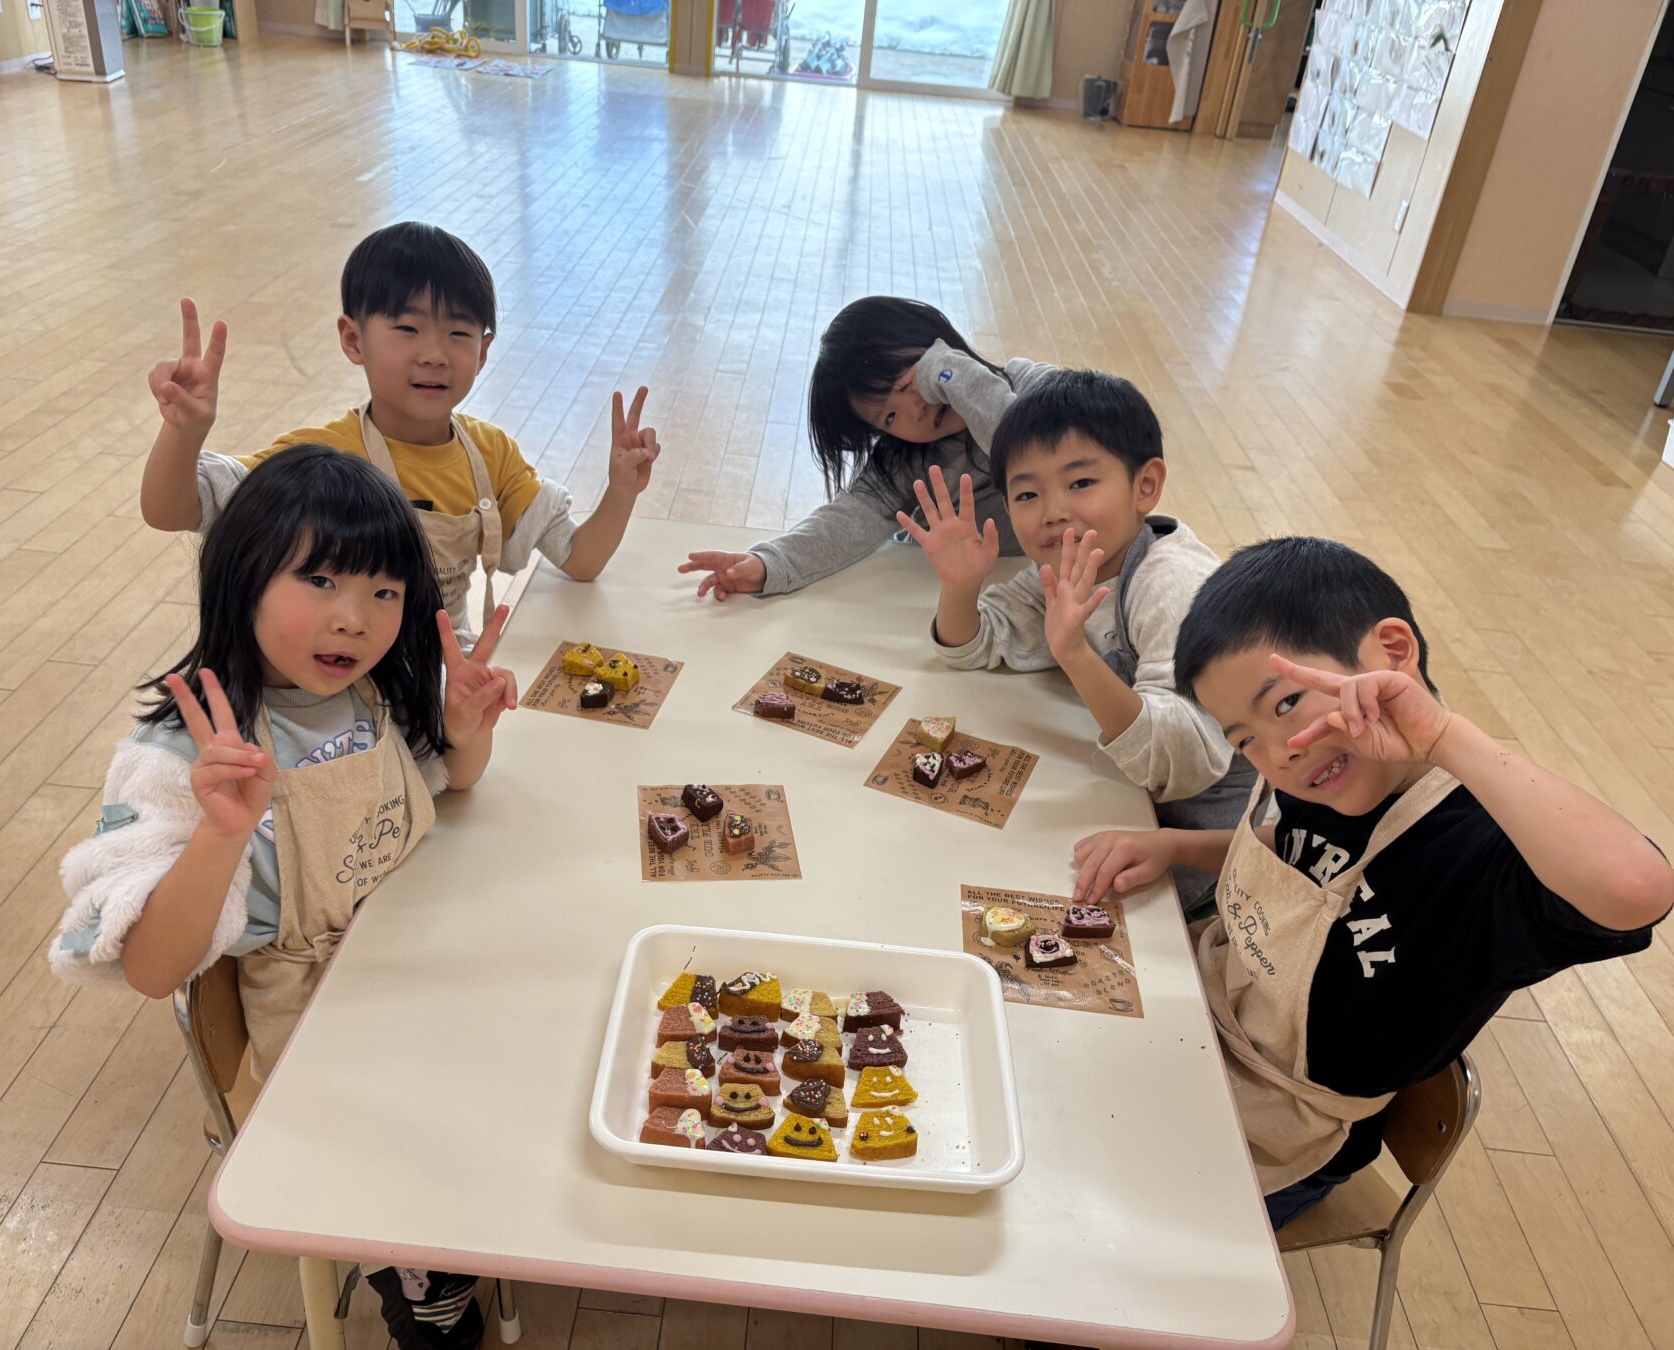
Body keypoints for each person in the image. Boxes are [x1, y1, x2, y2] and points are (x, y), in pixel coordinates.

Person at [51, 446, 514, 1347]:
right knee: (442, 1139)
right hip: (319, 1033)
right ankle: (413, 1270)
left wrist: (464, 732)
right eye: (320, 579)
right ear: (242, 575)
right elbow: (151, 969)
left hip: (410, 961)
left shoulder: (367, 693)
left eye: (384, 591)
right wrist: (221, 834)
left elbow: (448, 784)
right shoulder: (182, 756)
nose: (353, 618)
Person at [1072, 537, 1671, 1225]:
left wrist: (1442, 736)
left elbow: (1635, 887)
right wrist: (1173, 845)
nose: (1278, 755)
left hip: (1290, 1130)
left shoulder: (1480, 851)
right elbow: (1296, 856)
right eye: (1245, 740)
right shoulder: (1324, 777)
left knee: (1098, 1224)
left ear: (1392, 652)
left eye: (1286, 704)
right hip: (1209, 1025)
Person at [139, 221, 659, 644]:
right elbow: (170, 511)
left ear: (482, 352)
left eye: (458, 333)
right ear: (353, 339)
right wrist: (185, 432)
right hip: (338, 682)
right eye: (408, 329)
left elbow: (581, 559)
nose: (434, 353)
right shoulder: (320, 458)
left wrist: (620, 490)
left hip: (440, 675)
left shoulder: (491, 455)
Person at [908, 369, 1252, 906]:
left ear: (1145, 486)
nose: (1053, 512)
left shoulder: (1172, 586)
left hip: (1214, 852)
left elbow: (1183, 759)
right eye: (1028, 493)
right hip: (1132, 800)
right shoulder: (1071, 565)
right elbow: (977, 644)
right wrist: (960, 587)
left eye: (1081, 483)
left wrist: (1075, 656)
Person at [678, 295, 1057, 600]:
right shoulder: (906, 458)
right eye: (889, 417)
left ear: (938, 347)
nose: (916, 409)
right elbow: (849, 518)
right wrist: (769, 564)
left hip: (1041, 588)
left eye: (911, 381)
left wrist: (949, 372)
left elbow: (1036, 463)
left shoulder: (1038, 388)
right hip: (943, 600)